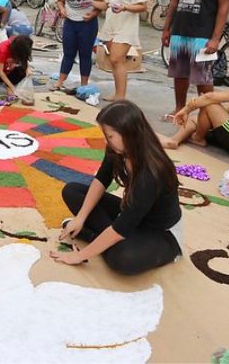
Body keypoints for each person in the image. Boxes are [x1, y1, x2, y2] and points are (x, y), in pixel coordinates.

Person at [52, 100, 182, 275]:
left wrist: (80, 255)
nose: (106, 140)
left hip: (160, 231)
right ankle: (101, 238)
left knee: (123, 258)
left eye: (110, 136)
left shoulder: (152, 172)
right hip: (130, 213)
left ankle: (94, 237)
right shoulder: (117, 150)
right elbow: (101, 179)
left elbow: (121, 229)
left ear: (128, 133)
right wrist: (80, 218)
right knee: (72, 191)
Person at [98, 0, 149, 101]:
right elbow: (107, 3)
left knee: (116, 59)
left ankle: (121, 96)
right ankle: (117, 93)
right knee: (114, 61)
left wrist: (125, 7)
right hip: (111, 24)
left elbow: (143, 6)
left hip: (126, 26)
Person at [51, 0, 104, 92]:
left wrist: (93, 14)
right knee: (68, 53)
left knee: (85, 54)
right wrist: (62, 9)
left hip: (88, 24)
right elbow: (60, 0)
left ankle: (84, 84)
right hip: (70, 23)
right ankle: (60, 81)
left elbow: (102, 4)